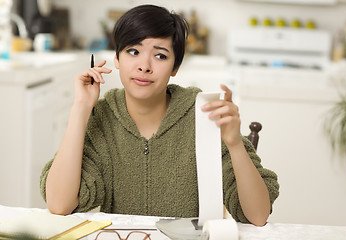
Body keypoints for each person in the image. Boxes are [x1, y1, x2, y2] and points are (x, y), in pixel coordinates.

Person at [40, 4, 279, 226]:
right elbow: (59, 204)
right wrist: (81, 108)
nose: (144, 65)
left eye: (160, 55)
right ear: (117, 58)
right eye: (133, 51)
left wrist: (235, 143)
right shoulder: (103, 117)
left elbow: (257, 216)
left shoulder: (204, 114)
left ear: (175, 68)